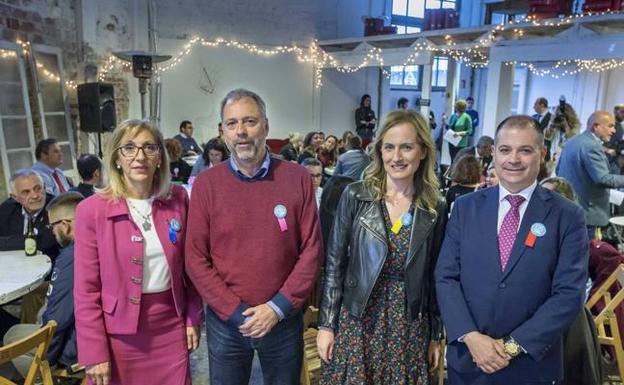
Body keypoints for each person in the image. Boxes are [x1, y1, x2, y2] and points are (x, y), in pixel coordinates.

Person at [436, 115, 588, 384]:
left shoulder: (567, 215)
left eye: (525, 150)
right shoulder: (465, 208)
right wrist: (470, 337)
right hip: (469, 361)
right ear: (493, 153)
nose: (513, 159)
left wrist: (511, 347)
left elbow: (569, 294)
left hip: (530, 365)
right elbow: (446, 277)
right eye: (505, 150)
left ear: (542, 154)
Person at [185, 88, 323, 385]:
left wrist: (276, 309)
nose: (242, 132)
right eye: (232, 124)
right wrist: (236, 313)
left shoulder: (297, 177)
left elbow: (311, 250)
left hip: (283, 321)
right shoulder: (207, 184)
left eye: (250, 121)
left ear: (266, 126)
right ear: (223, 132)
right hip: (227, 323)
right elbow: (195, 258)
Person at [317, 110, 447, 384]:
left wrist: (436, 334)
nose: (396, 157)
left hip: (408, 326)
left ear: (422, 151)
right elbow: (334, 265)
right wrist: (327, 325)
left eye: (406, 147)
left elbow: (436, 278)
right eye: (389, 147)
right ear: (379, 151)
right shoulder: (355, 196)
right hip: (359, 319)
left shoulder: (435, 207)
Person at [74, 119, 204, 385]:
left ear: (160, 157)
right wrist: (94, 352)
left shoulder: (178, 198)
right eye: (129, 148)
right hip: (116, 336)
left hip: (171, 329)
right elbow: (85, 290)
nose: (139, 156)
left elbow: (192, 267)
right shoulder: (92, 210)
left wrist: (193, 316)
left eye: (149, 147)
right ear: (116, 159)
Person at [2, 192, 83, 378]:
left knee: (11, 338)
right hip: (98, 339)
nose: (51, 232)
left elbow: (57, 320)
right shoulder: (101, 243)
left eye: (51, 226)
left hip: (77, 350)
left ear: (65, 225)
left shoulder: (71, 258)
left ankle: (44, 380)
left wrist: (48, 358)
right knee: (20, 326)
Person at [556, 111, 624, 240]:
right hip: (587, 214)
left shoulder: (573, 141)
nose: (614, 130)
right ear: (595, 126)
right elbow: (603, 179)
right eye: (610, 126)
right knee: (584, 257)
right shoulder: (592, 146)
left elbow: (559, 170)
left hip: (571, 210)